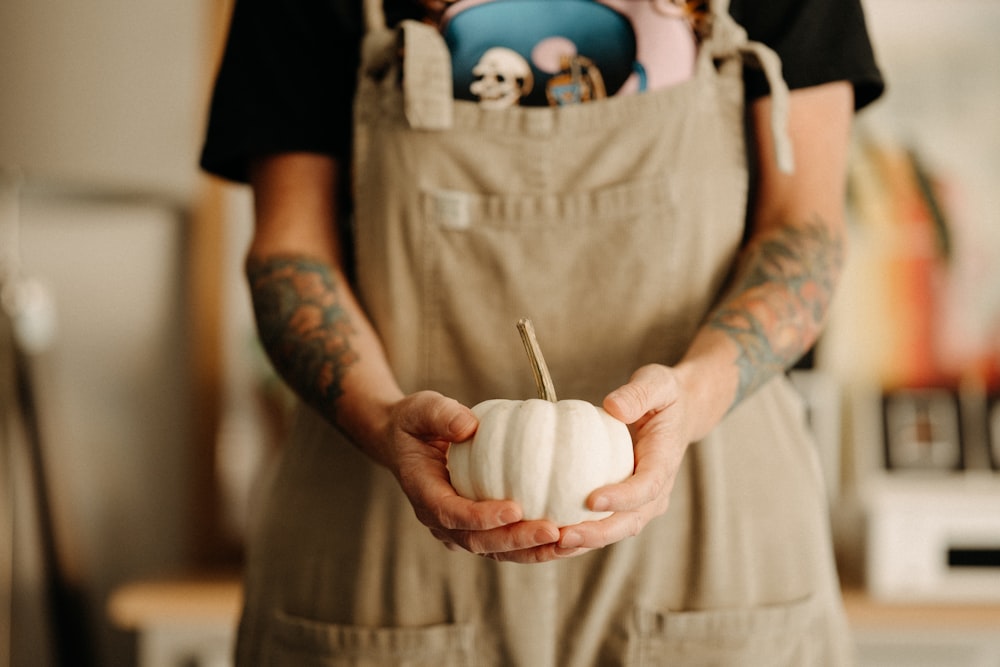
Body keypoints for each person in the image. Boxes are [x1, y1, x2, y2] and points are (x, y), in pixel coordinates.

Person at [201, 0, 884, 664]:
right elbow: (290, 249)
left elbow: (805, 229)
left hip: (713, 541)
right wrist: (382, 419)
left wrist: (694, 394)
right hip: (381, 545)